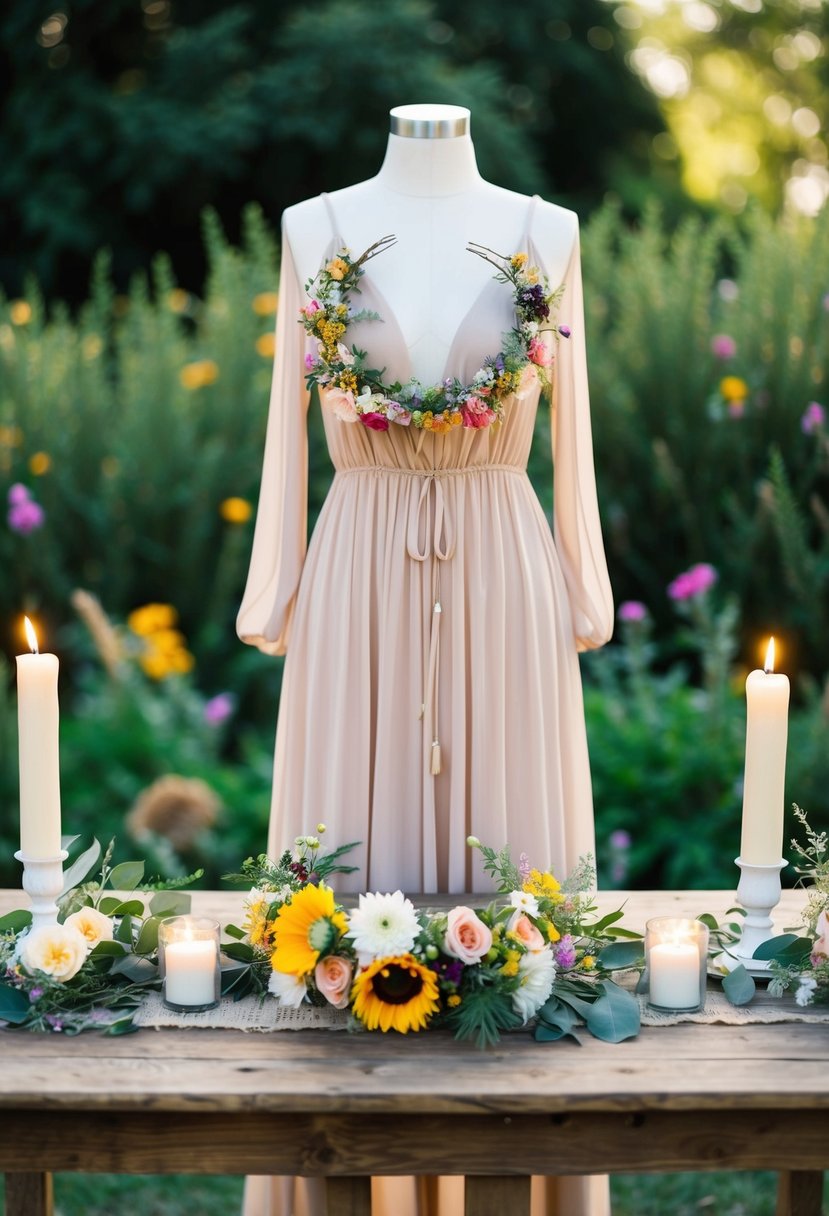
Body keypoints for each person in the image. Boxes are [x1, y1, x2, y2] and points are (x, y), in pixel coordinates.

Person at [238, 103, 613, 1215]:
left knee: (516, 892)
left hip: (503, 567)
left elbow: (573, 435)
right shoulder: (316, 230)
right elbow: (282, 430)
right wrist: (283, 582)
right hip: (358, 566)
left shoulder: (549, 233)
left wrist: (580, 580)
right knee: (350, 886)